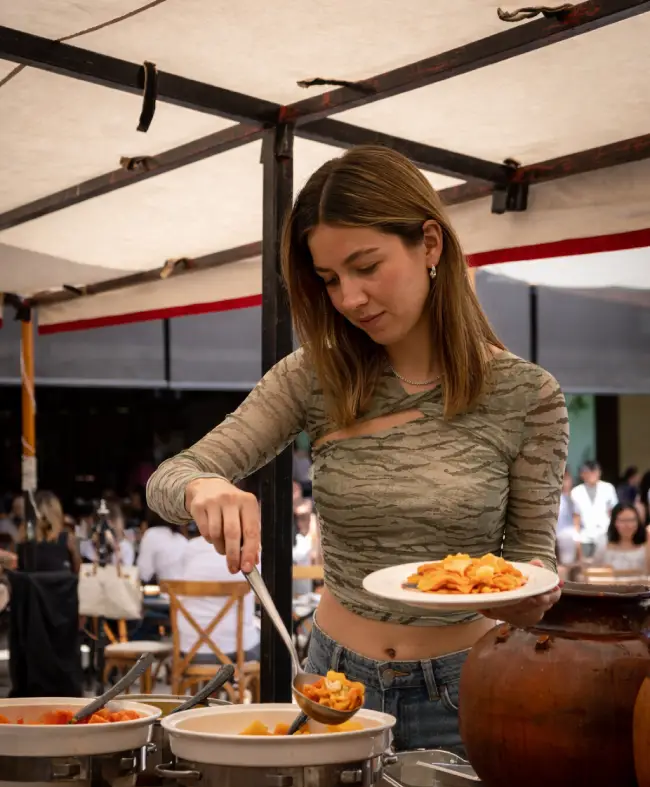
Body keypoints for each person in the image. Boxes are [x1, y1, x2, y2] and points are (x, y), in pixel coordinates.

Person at [146, 145, 567, 752]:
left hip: (466, 689)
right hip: (330, 682)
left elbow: (532, 557)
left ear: (430, 244)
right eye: (329, 280)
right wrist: (201, 486)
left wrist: (535, 594)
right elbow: (170, 477)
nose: (348, 299)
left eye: (366, 266)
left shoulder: (527, 395)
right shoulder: (313, 377)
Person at [175, 533, 260, 664]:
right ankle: (241, 683)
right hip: (238, 652)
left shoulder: (190, 548)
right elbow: (262, 597)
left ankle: (215, 683)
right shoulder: (249, 551)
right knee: (268, 642)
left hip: (191, 650)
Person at [17, 490, 80, 573]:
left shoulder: (24, 539)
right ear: (57, 513)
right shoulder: (68, 539)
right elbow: (76, 573)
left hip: (31, 585)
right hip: (61, 585)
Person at [571, 461, 618, 558]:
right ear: (582, 474)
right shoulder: (576, 491)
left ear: (599, 472)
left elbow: (613, 512)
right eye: (587, 472)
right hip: (585, 535)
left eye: (594, 471)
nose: (591, 475)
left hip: (604, 533)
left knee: (604, 564)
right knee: (586, 566)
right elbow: (576, 516)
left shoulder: (608, 488)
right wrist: (576, 537)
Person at [592, 503, 650, 574]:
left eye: (632, 520)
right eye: (623, 521)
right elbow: (593, 573)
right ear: (614, 522)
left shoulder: (646, 548)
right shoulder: (604, 548)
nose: (628, 525)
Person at [137, 510, 188, 583]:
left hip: (166, 592)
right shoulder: (183, 540)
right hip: (186, 590)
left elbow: (144, 573)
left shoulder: (151, 534)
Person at [556, 469, 579, 567]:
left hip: (568, 538)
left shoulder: (573, 498)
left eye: (566, 479)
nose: (565, 482)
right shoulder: (552, 498)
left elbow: (576, 520)